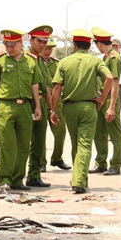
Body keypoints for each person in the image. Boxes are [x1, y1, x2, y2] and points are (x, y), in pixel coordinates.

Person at [49, 29, 117, 194]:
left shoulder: (64, 62)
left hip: (70, 107)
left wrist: (53, 110)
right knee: (85, 144)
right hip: (89, 107)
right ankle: (80, 180)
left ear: (74, 45)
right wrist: (102, 99)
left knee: (75, 144)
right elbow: (109, 78)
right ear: (89, 46)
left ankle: (77, 178)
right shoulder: (95, 61)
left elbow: (57, 87)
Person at [0, 29, 42, 191]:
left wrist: (37, 106)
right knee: (6, 145)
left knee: (23, 145)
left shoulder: (31, 62)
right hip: (6, 106)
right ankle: (5, 179)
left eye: (12, 45)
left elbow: (35, 85)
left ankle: (18, 180)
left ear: (21, 43)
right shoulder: (0, 61)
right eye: (6, 45)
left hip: (25, 107)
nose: (9, 49)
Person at [89, 27, 121, 176]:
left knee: (114, 134)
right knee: (100, 132)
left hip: (110, 99)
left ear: (98, 43)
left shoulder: (114, 58)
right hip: (102, 99)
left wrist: (111, 106)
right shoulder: (106, 57)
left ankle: (115, 164)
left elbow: (115, 83)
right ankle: (101, 162)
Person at [25, 25, 54, 188]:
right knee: (23, 142)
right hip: (28, 103)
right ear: (31, 40)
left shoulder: (41, 62)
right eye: (39, 41)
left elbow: (48, 87)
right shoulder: (24, 59)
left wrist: (51, 109)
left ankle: (34, 175)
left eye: (45, 42)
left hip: (41, 103)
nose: (42, 45)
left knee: (38, 142)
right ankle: (16, 176)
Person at [41, 39, 71, 170]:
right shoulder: (35, 62)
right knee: (39, 133)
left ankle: (57, 158)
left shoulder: (57, 64)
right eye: (46, 48)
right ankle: (40, 162)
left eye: (50, 48)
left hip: (55, 101)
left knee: (60, 131)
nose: (47, 51)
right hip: (40, 100)